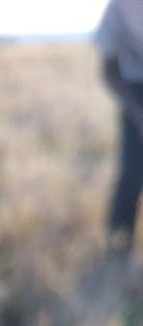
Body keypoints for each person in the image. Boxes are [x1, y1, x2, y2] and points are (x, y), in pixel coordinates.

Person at [96, 0, 143, 258]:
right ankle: (118, 242)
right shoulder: (119, 8)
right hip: (135, 93)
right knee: (132, 172)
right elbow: (108, 69)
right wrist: (138, 113)